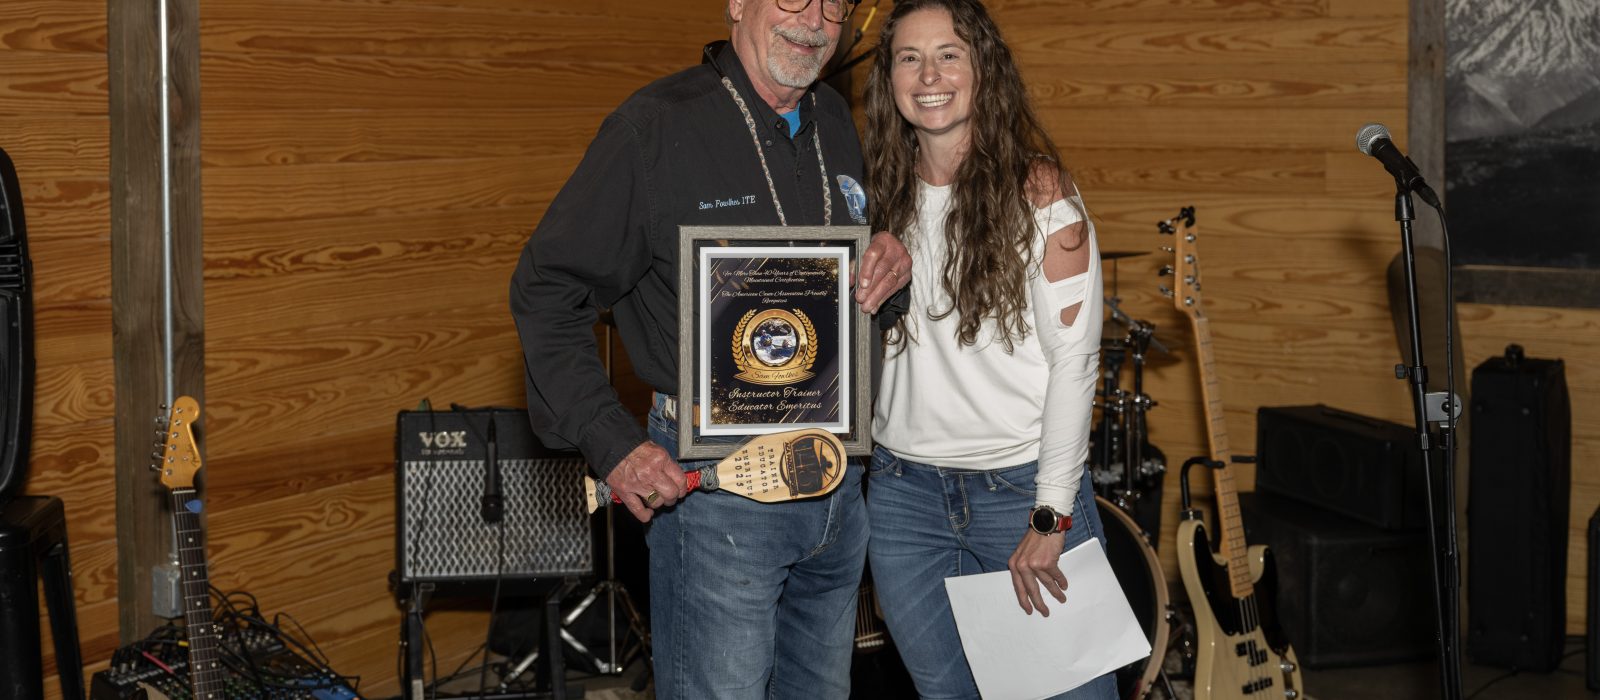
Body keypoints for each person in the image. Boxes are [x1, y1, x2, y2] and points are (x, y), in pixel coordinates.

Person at [509, 1, 911, 697]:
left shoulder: (835, 120)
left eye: (834, 4)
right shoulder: (655, 128)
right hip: (719, 492)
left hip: (837, 489)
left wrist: (890, 268)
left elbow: (851, 285)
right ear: (737, 3)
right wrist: (614, 444)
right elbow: (547, 290)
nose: (815, 21)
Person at [860, 0, 1117, 697]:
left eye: (949, 54)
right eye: (909, 58)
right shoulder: (872, 196)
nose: (929, 75)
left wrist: (1051, 515)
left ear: (984, 69)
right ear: (888, 79)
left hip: (1021, 493)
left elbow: (1075, 363)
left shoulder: (1040, 191)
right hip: (904, 502)